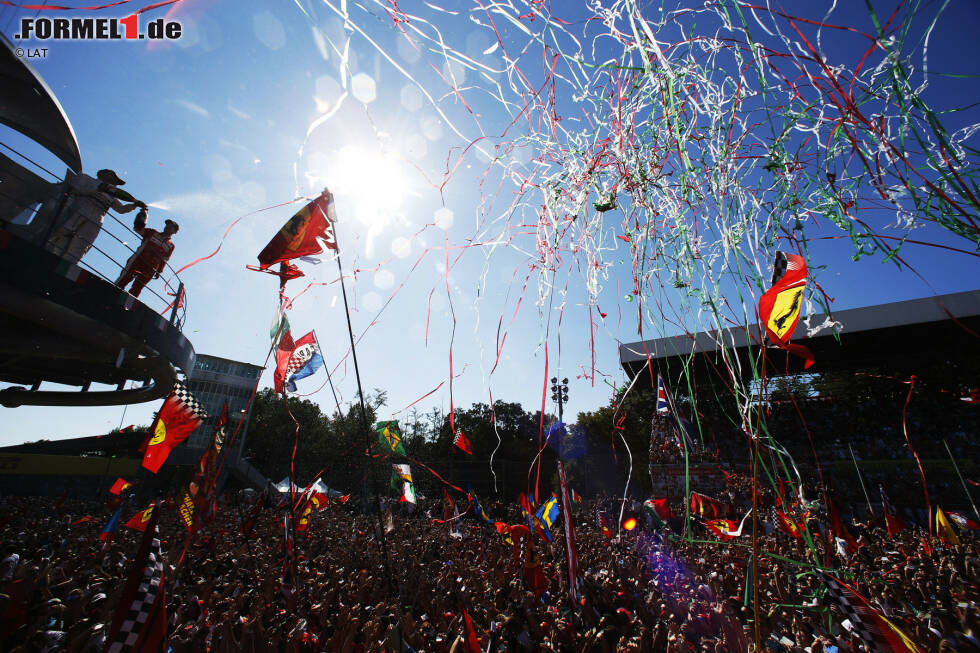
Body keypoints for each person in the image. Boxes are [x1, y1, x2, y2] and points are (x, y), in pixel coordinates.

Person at [44, 169, 143, 263]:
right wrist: (95, 191)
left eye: (116, 182)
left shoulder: (112, 195)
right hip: (79, 208)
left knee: (82, 245)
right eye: (114, 180)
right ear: (103, 174)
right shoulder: (86, 179)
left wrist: (134, 205)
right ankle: (39, 245)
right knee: (59, 230)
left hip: (97, 218)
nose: (115, 184)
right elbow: (71, 189)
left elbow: (121, 209)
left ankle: (67, 266)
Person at [115, 210, 179, 298]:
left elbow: (164, 260)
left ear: (175, 231)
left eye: (171, 226)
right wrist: (143, 215)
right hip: (138, 260)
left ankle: (127, 305)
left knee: (137, 288)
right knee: (125, 278)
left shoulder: (171, 246)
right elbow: (138, 229)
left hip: (151, 269)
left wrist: (159, 271)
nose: (167, 227)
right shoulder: (152, 232)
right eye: (167, 225)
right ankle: (112, 292)